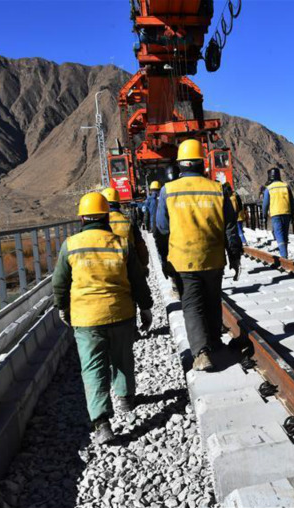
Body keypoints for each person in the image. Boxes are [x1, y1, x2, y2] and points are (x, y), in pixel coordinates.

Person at [53, 192, 154, 444]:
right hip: (120, 313)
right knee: (122, 358)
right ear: (107, 215)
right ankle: (126, 398)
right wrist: (146, 307)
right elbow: (137, 281)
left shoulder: (70, 245)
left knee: (92, 368)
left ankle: (101, 423)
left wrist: (62, 307)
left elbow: (60, 284)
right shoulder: (121, 244)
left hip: (86, 319)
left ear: (82, 218)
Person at [156, 139, 242, 371]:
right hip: (213, 258)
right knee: (213, 301)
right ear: (202, 163)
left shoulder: (168, 191)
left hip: (183, 260)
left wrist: (165, 259)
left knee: (192, 305)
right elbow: (230, 227)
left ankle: (201, 353)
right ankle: (214, 342)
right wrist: (235, 255)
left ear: (181, 164)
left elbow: (161, 229)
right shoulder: (217, 189)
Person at [101, 187, 149, 274]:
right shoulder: (128, 220)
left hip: (108, 266)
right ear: (118, 202)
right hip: (129, 264)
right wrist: (144, 264)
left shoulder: (101, 223)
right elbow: (139, 244)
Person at [262, 167, 294, 257]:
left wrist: (264, 216)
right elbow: (292, 202)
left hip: (275, 214)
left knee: (278, 234)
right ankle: (285, 254)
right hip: (287, 213)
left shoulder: (269, 188)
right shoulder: (286, 186)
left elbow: (265, 204)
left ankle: (284, 256)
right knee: (285, 234)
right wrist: (293, 215)